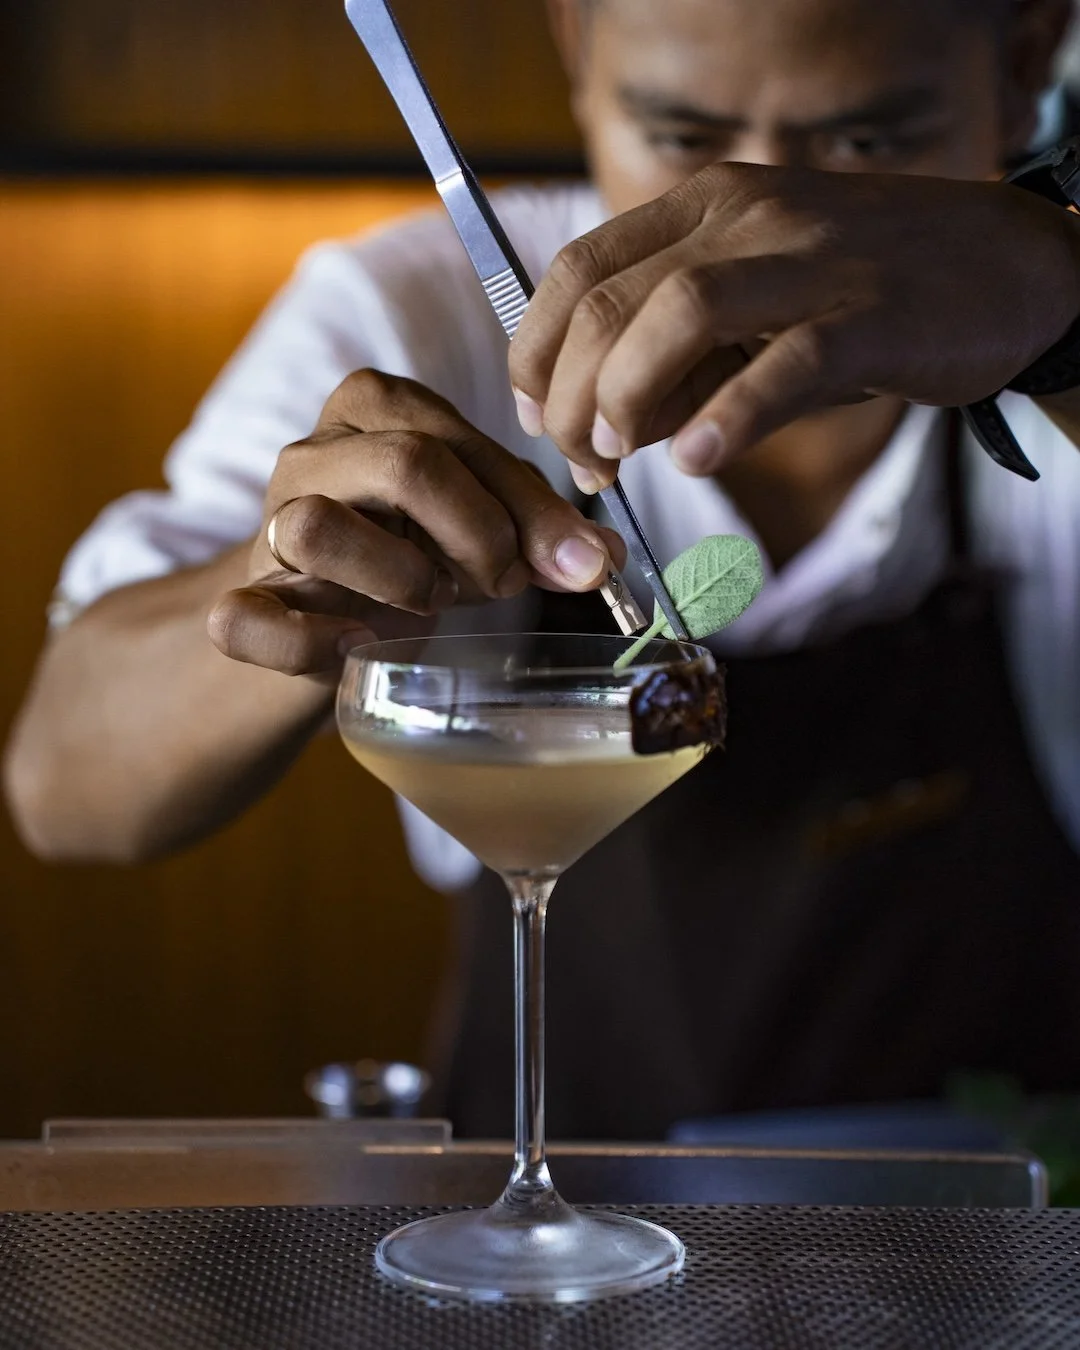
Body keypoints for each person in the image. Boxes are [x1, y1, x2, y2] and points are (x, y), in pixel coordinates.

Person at [7, 0, 1080, 1138]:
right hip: (549, 1222)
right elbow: (63, 789)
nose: (761, 215)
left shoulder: (1048, 299)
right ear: (578, 49)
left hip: (1008, 1214)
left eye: (865, 141)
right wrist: (294, 587)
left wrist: (1061, 314)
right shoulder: (418, 315)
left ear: (1023, 65)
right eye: (684, 136)